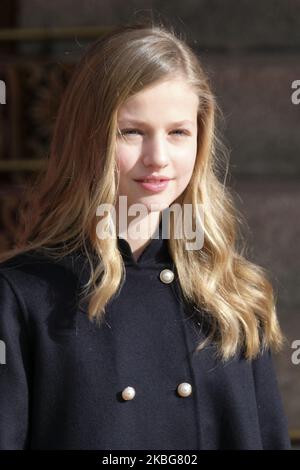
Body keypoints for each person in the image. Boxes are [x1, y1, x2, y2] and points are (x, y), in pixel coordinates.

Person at [0, 21, 291, 450]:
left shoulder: (235, 294)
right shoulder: (22, 297)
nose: (158, 159)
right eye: (131, 132)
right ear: (88, 138)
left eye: (178, 132)